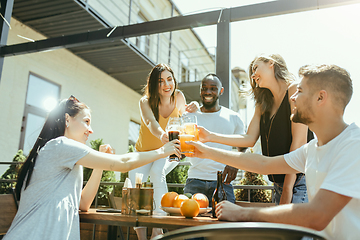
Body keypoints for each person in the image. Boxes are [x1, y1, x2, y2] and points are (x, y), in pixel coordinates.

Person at [188, 64, 360, 240]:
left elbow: (317, 215)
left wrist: (243, 213)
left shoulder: (353, 145)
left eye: (299, 91)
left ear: (320, 97)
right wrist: (205, 151)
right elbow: (264, 164)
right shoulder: (312, 149)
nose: (292, 97)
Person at [4, 96, 180, 240]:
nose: (91, 130)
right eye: (86, 121)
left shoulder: (71, 159)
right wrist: (162, 151)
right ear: (67, 119)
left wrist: (99, 166)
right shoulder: (60, 145)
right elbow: (124, 163)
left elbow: (83, 203)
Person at [198, 54, 313, 205]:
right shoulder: (263, 103)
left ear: (271, 63)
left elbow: (298, 143)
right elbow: (249, 139)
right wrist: (210, 136)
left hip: (299, 182)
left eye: (255, 68)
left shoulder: (294, 91)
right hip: (279, 184)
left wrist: (287, 189)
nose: (252, 75)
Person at [128, 63, 197, 239]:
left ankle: (158, 230)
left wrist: (195, 106)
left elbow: (186, 116)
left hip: (169, 151)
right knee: (137, 188)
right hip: (144, 153)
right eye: (161, 81)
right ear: (153, 84)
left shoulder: (179, 97)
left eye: (169, 79)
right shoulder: (145, 101)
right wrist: (162, 135)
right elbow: (151, 122)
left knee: (157, 171)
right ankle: (142, 237)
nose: (167, 85)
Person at [183, 73, 245, 206]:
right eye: (204, 88)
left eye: (213, 88)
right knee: (190, 225)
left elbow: (243, 145)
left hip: (223, 182)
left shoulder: (233, 117)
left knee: (225, 224)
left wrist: (235, 164)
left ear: (221, 91)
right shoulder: (189, 116)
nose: (208, 92)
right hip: (195, 180)